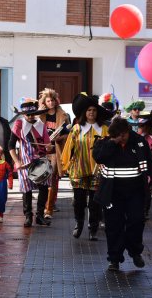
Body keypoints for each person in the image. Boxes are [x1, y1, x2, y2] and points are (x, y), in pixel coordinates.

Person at [92, 118, 152, 272]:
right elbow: (98, 157)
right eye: (119, 135)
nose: (123, 138)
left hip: (135, 192)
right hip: (113, 193)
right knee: (114, 226)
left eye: (124, 135)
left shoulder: (139, 142)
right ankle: (114, 259)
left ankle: (135, 252)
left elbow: (151, 162)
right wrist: (112, 143)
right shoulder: (106, 143)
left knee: (136, 221)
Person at [61, 93, 113, 240]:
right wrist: (64, 166)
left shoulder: (104, 129)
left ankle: (93, 228)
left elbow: (110, 149)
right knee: (79, 201)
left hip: (97, 171)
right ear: (85, 112)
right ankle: (79, 224)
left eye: (94, 110)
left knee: (95, 203)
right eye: (89, 110)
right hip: (78, 170)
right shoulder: (77, 129)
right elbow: (68, 149)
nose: (91, 113)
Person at [8, 99, 52, 228]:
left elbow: (48, 144)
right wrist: (17, 162)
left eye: (34, 114)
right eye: (28, 114)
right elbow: (10, 146)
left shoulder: (41, 125)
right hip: (25, 163)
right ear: (23, 115)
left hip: (41, 162)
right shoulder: (19, 124)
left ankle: (40, 216)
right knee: (26, 191)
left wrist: (49, 147)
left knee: (44, 188)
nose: (31, 116)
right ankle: (28, 216)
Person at [38, 88, 70, 219]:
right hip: (43, 151)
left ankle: (49, 209)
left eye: (52, 100)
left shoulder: (63, 115)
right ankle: (42, 207)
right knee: (43, 180)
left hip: (56, 151)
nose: (51, 103)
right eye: (48, 101)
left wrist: (59, 138)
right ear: (44, 102)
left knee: (53, 180)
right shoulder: (40, 115)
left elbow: (69, 134)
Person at [137, 111, 152, 218]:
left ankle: (147, 209)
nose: (140, 128)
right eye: (139, 126)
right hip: (138, 167)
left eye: (142, 125)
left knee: (149, 189)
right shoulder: (135, 138)